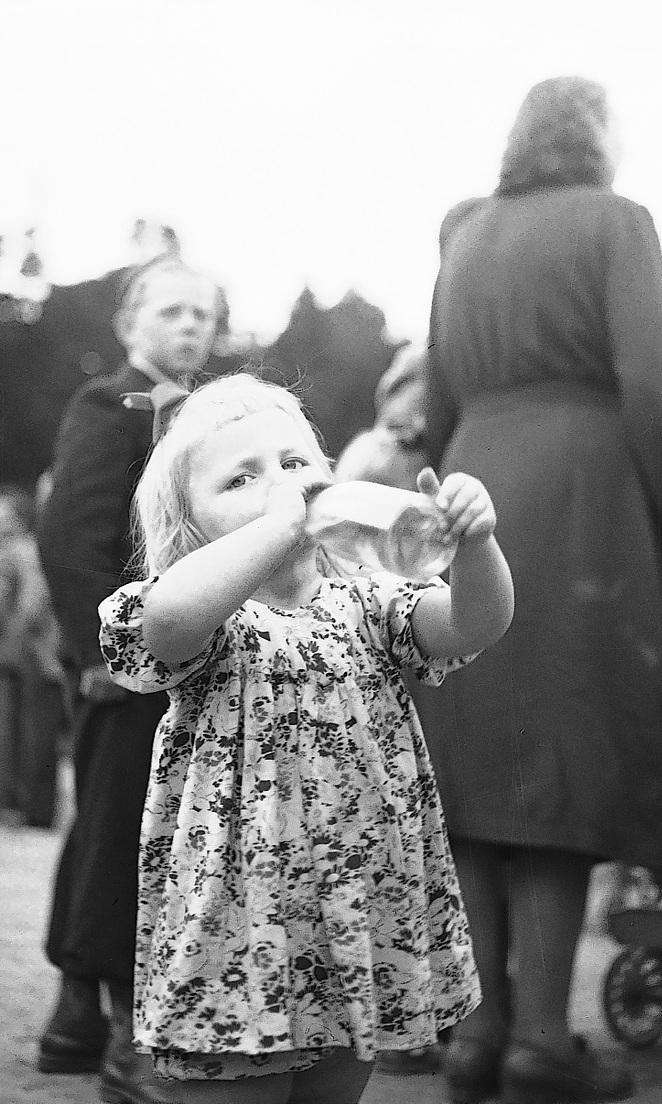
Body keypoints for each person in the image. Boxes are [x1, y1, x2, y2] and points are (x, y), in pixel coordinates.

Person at [95, 372, 513, 1102]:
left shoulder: (368, 599)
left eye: (293, 464)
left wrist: (476, 544)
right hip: (239, 925)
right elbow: (164, 624)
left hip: (354, 913)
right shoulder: (209, 614)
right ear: (191, 527)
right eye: (241, 479)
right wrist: (277, 526)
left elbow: (474, 623)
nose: (280, 485)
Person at [420, 76, 662, 1103]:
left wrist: (445, 504)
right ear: (598, 138)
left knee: (480, 765)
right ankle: (541, 1039)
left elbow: (439, 385)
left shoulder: (464, 230)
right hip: (587, 498)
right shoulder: (619, 223)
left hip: (478, 477)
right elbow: (653, 386)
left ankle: (476, 1038)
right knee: (562, 763)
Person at [35, 255, 225, 1097]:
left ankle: (75, 1018)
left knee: (122, 829)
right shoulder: (107, 405)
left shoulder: (206, 419)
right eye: (173, 310)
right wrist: (103, 656)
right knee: (124, 837)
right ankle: (125, 1039)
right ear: (129, 324)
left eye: (205, 315)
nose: (191, 326)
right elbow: (69, 539)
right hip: (128, 662)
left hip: (179, 656)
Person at [0, 484, 63, 827]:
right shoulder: (28, 549)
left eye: (0, 514)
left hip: (0, 648)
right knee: (15, 727)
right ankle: (8, 800)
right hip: (22, 649)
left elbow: (4, 601)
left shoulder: (10, 551)